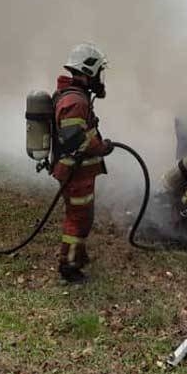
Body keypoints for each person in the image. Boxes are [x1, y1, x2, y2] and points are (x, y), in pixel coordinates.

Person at [51, 43, 113, 283]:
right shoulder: (76, 101)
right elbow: (75, 140)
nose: (100, 77)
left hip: (79, 172)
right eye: (98, 71)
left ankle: (79, 255)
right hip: (76, 173)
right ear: (87, 71)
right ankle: (69, 267)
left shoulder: (75, 97)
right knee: (78, 218)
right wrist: (102, 147)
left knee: (82, 215)